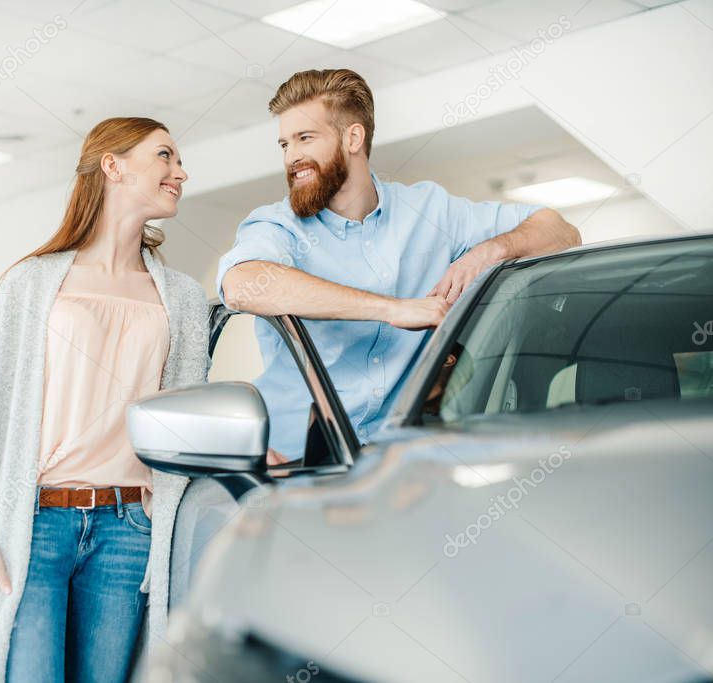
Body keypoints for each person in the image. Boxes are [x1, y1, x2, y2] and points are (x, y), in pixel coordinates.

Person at [0, 117, 210, 683]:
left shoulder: (185, 299)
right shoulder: (30, 284)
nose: (180, 172)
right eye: (165, 156)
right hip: (34, 522)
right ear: (112, 166)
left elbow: (187, 425)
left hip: (128, 529)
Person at [217, 69, 581, 462]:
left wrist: (490, 250)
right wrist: (392, 309)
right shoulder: (277, 226)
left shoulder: (429, 211)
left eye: (305, 138)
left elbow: (561, 230)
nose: (292, 157)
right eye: (285, 144)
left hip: (400, 469)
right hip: (290, 466)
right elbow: (243, 284)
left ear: (353, 137)